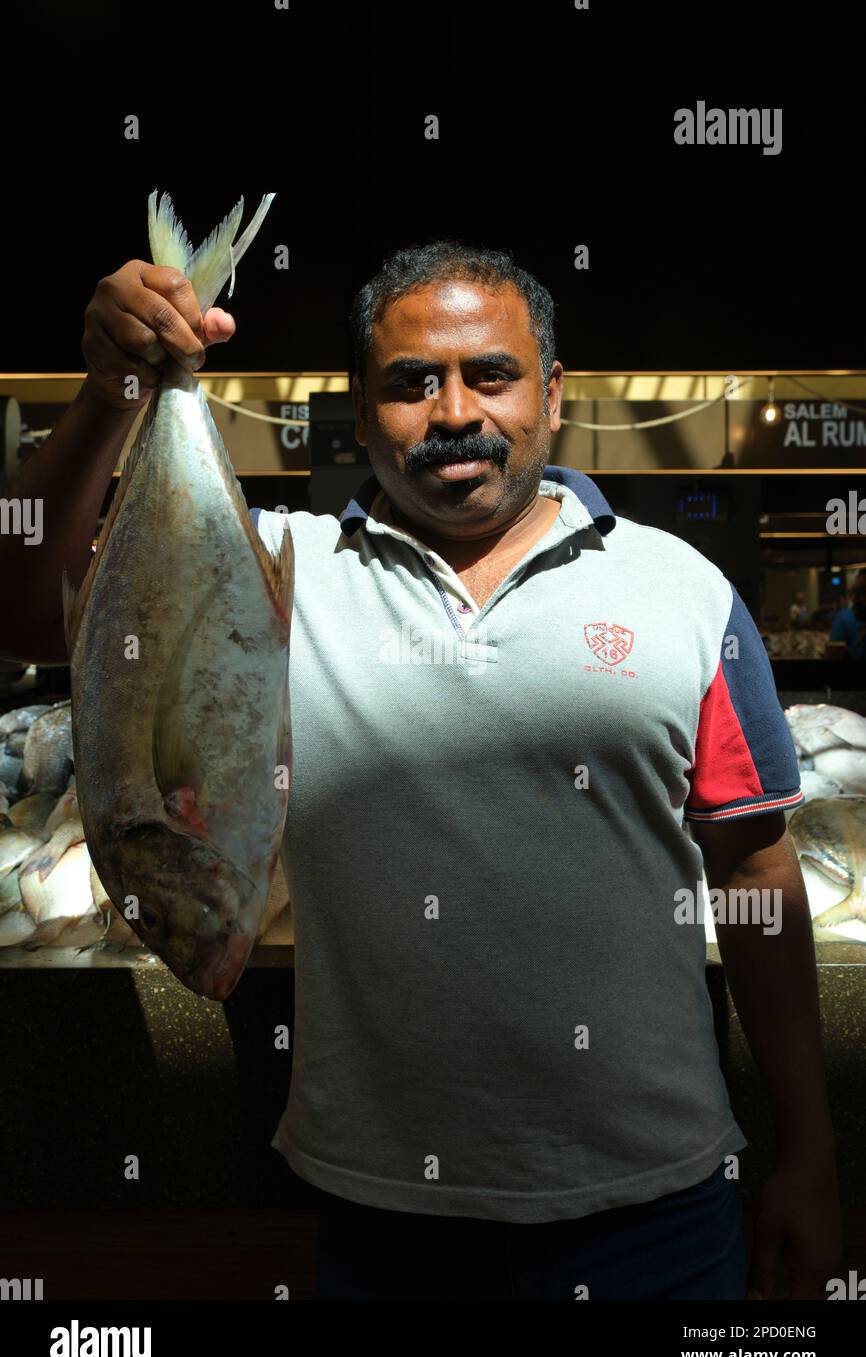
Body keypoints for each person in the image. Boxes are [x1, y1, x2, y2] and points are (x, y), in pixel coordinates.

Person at [0, 241, 841, 1302]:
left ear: (552, 391)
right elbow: (30, 608)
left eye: (488, 373)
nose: (452, 410)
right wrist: (113, 393)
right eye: (410, 382)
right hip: (384, 1211)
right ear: (359, 412)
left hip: (659, 1204)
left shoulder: (684, 592)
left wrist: (806, 1148)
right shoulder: (279, 578)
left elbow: (754, 867)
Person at [829, 572, 866, 658]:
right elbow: (836, 653)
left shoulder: (844, 616)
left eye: (863, 592)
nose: (860, 597)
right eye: (858, 591)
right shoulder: (844, 617)